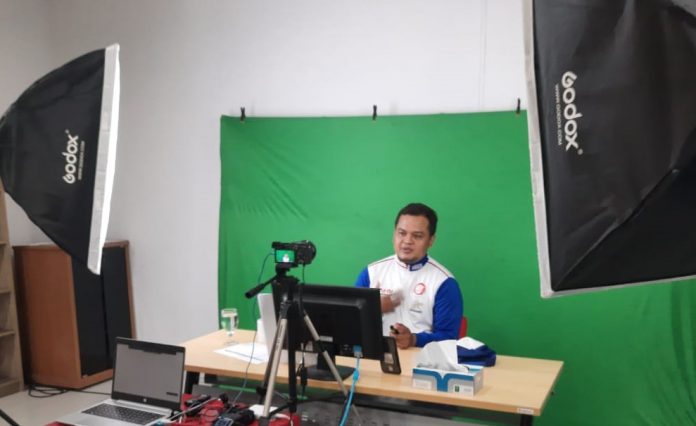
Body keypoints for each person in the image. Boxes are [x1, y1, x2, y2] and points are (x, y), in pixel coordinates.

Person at [355, 203, 463, 349]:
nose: (407, 241)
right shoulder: (371, 273)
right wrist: (373, 308)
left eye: (417, 236)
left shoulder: (444, 282)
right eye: (402, 233)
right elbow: (350, 322)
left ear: (431, 241)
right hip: (374, 355)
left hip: (422, 359)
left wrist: (413, 339)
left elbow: (449, 339)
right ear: (394, 235)